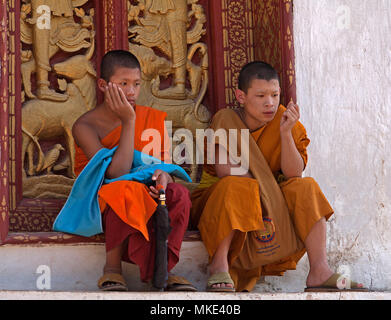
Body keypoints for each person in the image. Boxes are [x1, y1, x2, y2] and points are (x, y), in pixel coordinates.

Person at [190, 61, 367, 292]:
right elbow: (226, 170)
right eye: (261, 95)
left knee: (306, 187)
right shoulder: (226, 119)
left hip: (271, 199)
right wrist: (264, 196)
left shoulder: (283, 119)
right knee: (235, 185)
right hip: (224, 198)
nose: (270, 103)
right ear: (241, 96)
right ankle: (219, 264)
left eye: (275, 95)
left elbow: (294, 172)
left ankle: (319, 270)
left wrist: (285, 133)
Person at [72, 50, 196, 292]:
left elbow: (163, 164)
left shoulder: (151, 119)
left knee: (178, 194)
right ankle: (112, 269)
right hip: (101, 199)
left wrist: (164, 178)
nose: (131, 92)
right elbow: (114, 174)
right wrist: (129, 121)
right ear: (103, 85)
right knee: (123, 188)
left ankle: (164, 269)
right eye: (123, 84)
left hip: (147, 191)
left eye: (136, 84)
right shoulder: (85, 125)